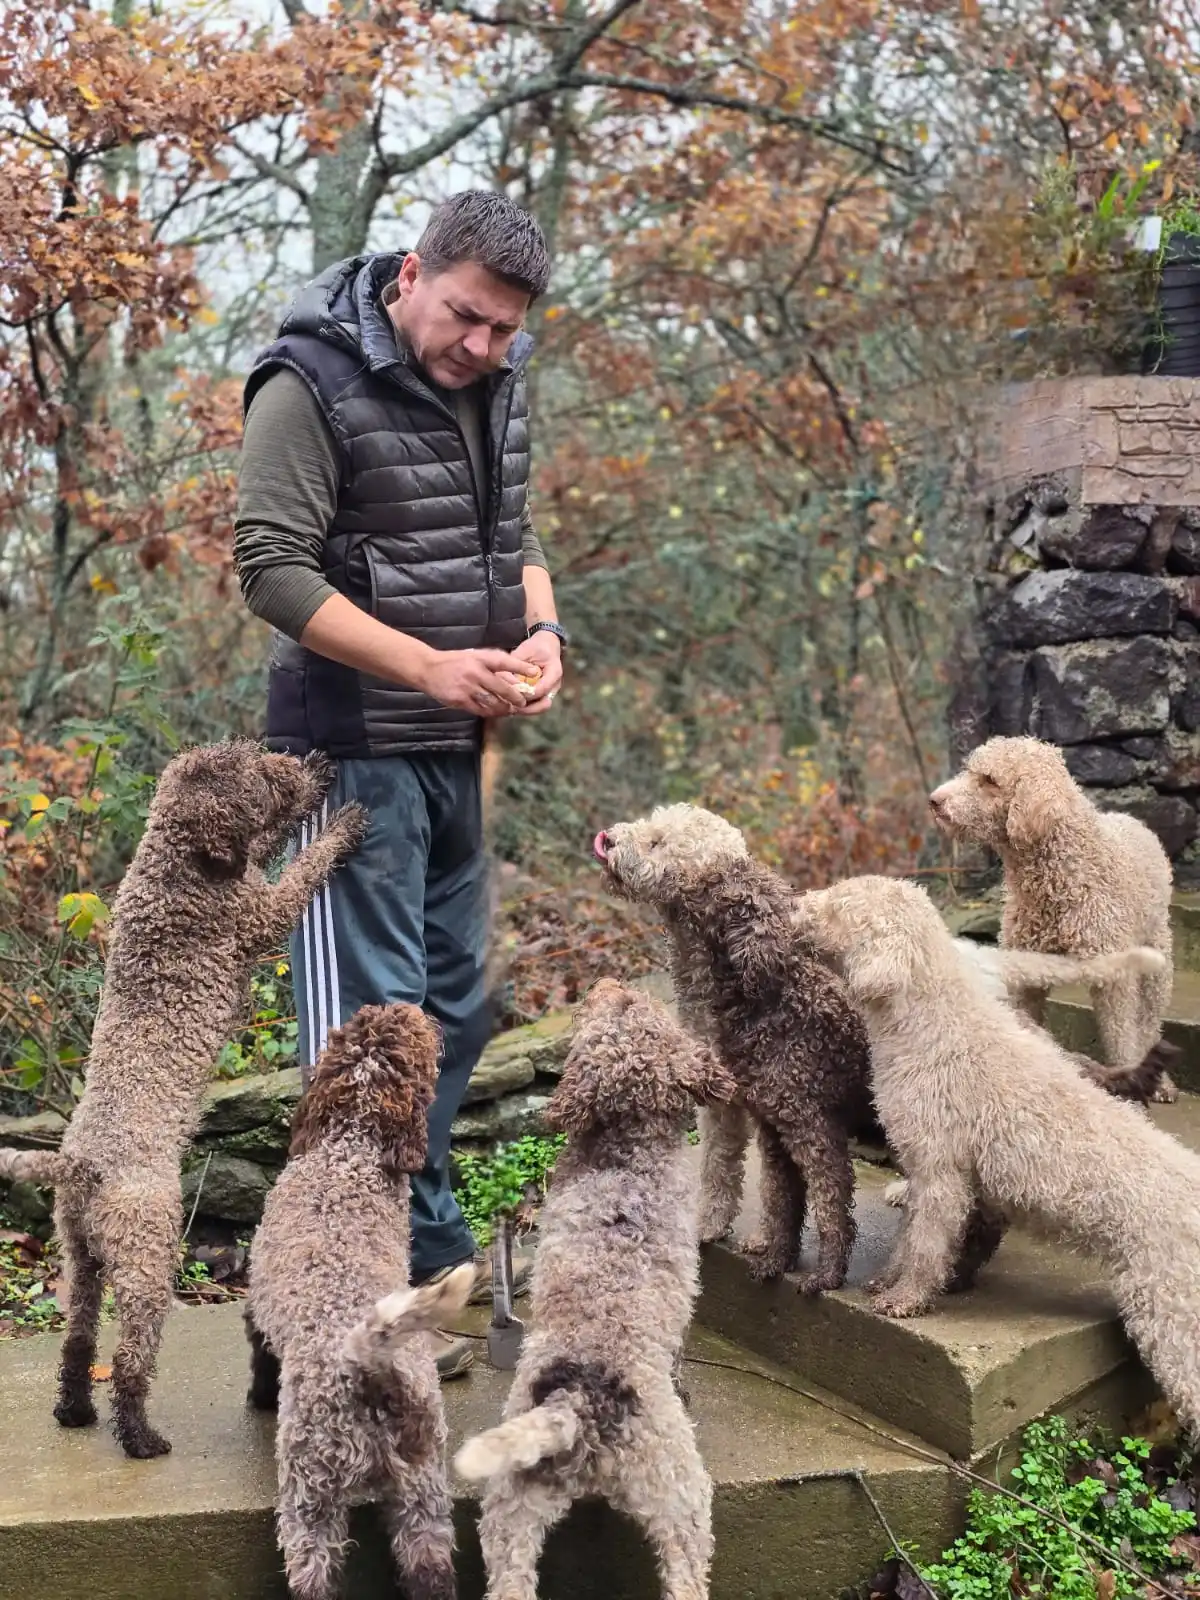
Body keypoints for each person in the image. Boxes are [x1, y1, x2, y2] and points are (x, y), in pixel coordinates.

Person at [234, 191, 565, 1379]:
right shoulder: (308, 379)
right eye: (466, 316)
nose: (481, 345)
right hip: (351, 750)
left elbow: (515, 539)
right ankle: (355, 1315)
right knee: (366, 1047)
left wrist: (544, 633)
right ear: (412, 274)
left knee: (454, 1015)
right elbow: (269, 570)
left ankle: (400, 1280)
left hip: (456, 747)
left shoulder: (496, 384)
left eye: (505, 330)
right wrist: (426, 664)